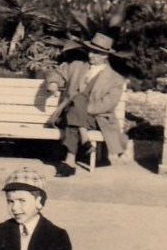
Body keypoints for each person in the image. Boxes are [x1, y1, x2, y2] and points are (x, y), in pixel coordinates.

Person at [45, 32, 128, 178]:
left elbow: (108, 104)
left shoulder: (116, 79)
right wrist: (53, 83)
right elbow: (56, 73)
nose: (90, 55)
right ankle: (82, 140)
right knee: (75, 109)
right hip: (71, 115)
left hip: (95, 118)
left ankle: (70, 162)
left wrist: (84, 109)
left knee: (77, 104)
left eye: (95, 52)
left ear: (105, 55)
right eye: (90, 50)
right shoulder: (76, 66)